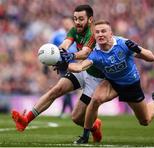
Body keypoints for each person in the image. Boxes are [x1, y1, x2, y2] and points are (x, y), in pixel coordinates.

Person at [68, 20, 154, 143]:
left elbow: (151, 57)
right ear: (94, 36)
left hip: (130, 84)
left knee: (145, 121)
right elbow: (80, 67)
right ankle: (85, 136)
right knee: (95, 99)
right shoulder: (95, 53)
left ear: (111, 34)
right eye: (97, 32)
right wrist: (68, 63)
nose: (100, 34)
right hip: (112, 83)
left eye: (103, 31)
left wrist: (139, 50)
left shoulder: (123, 44)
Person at [11, 5, 104, 143]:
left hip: (96, 77)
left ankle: (94, 126)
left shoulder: (93, 33)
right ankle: (26, 120)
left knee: (77, 118)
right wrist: (57, 56)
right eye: (75, 19)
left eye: (81, 19)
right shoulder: (74, 30)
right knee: (56, 90)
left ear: (90, 20)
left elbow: (85, 52)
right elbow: (64, 45)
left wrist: (70, 56)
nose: (77, 22)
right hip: (81, 69)